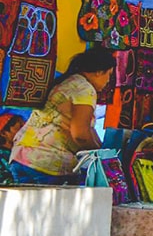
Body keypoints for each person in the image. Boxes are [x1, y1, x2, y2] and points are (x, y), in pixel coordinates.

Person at [9, 48, 114, 185]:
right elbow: (80, 135)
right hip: (46, 164)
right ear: (99, 71)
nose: (108, 81)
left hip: (22, 157)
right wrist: (99, 158)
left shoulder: (66, 83)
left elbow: (88, 130)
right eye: (109, 75)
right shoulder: (84, 89)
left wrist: (101, 150)